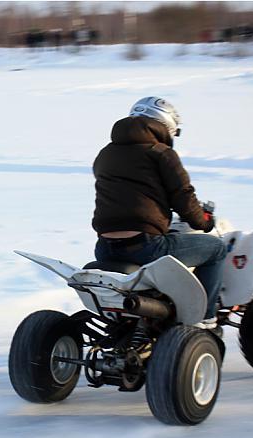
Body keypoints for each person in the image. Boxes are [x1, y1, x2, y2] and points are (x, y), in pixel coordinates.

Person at [91, 96, 226, 329]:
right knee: (216, 249)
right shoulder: (161, 153)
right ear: (167, 126)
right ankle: (207, 318)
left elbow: (133, 192)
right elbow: (183, 197)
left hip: (105, 248)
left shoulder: (105, 154)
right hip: (145, 247)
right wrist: (204, 221)